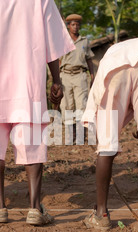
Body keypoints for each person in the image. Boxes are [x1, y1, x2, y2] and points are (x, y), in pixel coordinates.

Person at [0, 0, 75, 225]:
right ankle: (34, 210)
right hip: (27, 84)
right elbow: (52, 43)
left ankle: (0, 208)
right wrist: (56, 80)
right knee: (32, 145)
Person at [81, 38, 138, 231]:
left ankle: (101, 215)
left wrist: (104, 135)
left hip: (114, 71)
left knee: (106, 145)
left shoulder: (113, 53)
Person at [60, 14, 95, 144]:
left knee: (81, 105)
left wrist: (92, 76)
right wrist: (57, 79)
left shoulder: (84, 41)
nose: (75, 27)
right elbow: (58, 60)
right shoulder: (63, 40)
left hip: (80, 75)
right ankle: (70, 137)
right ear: (68, 26)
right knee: (67, 106)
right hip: (65, 75)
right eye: (73, 24)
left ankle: (81, 137)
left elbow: (89, 59)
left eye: (77, 24)